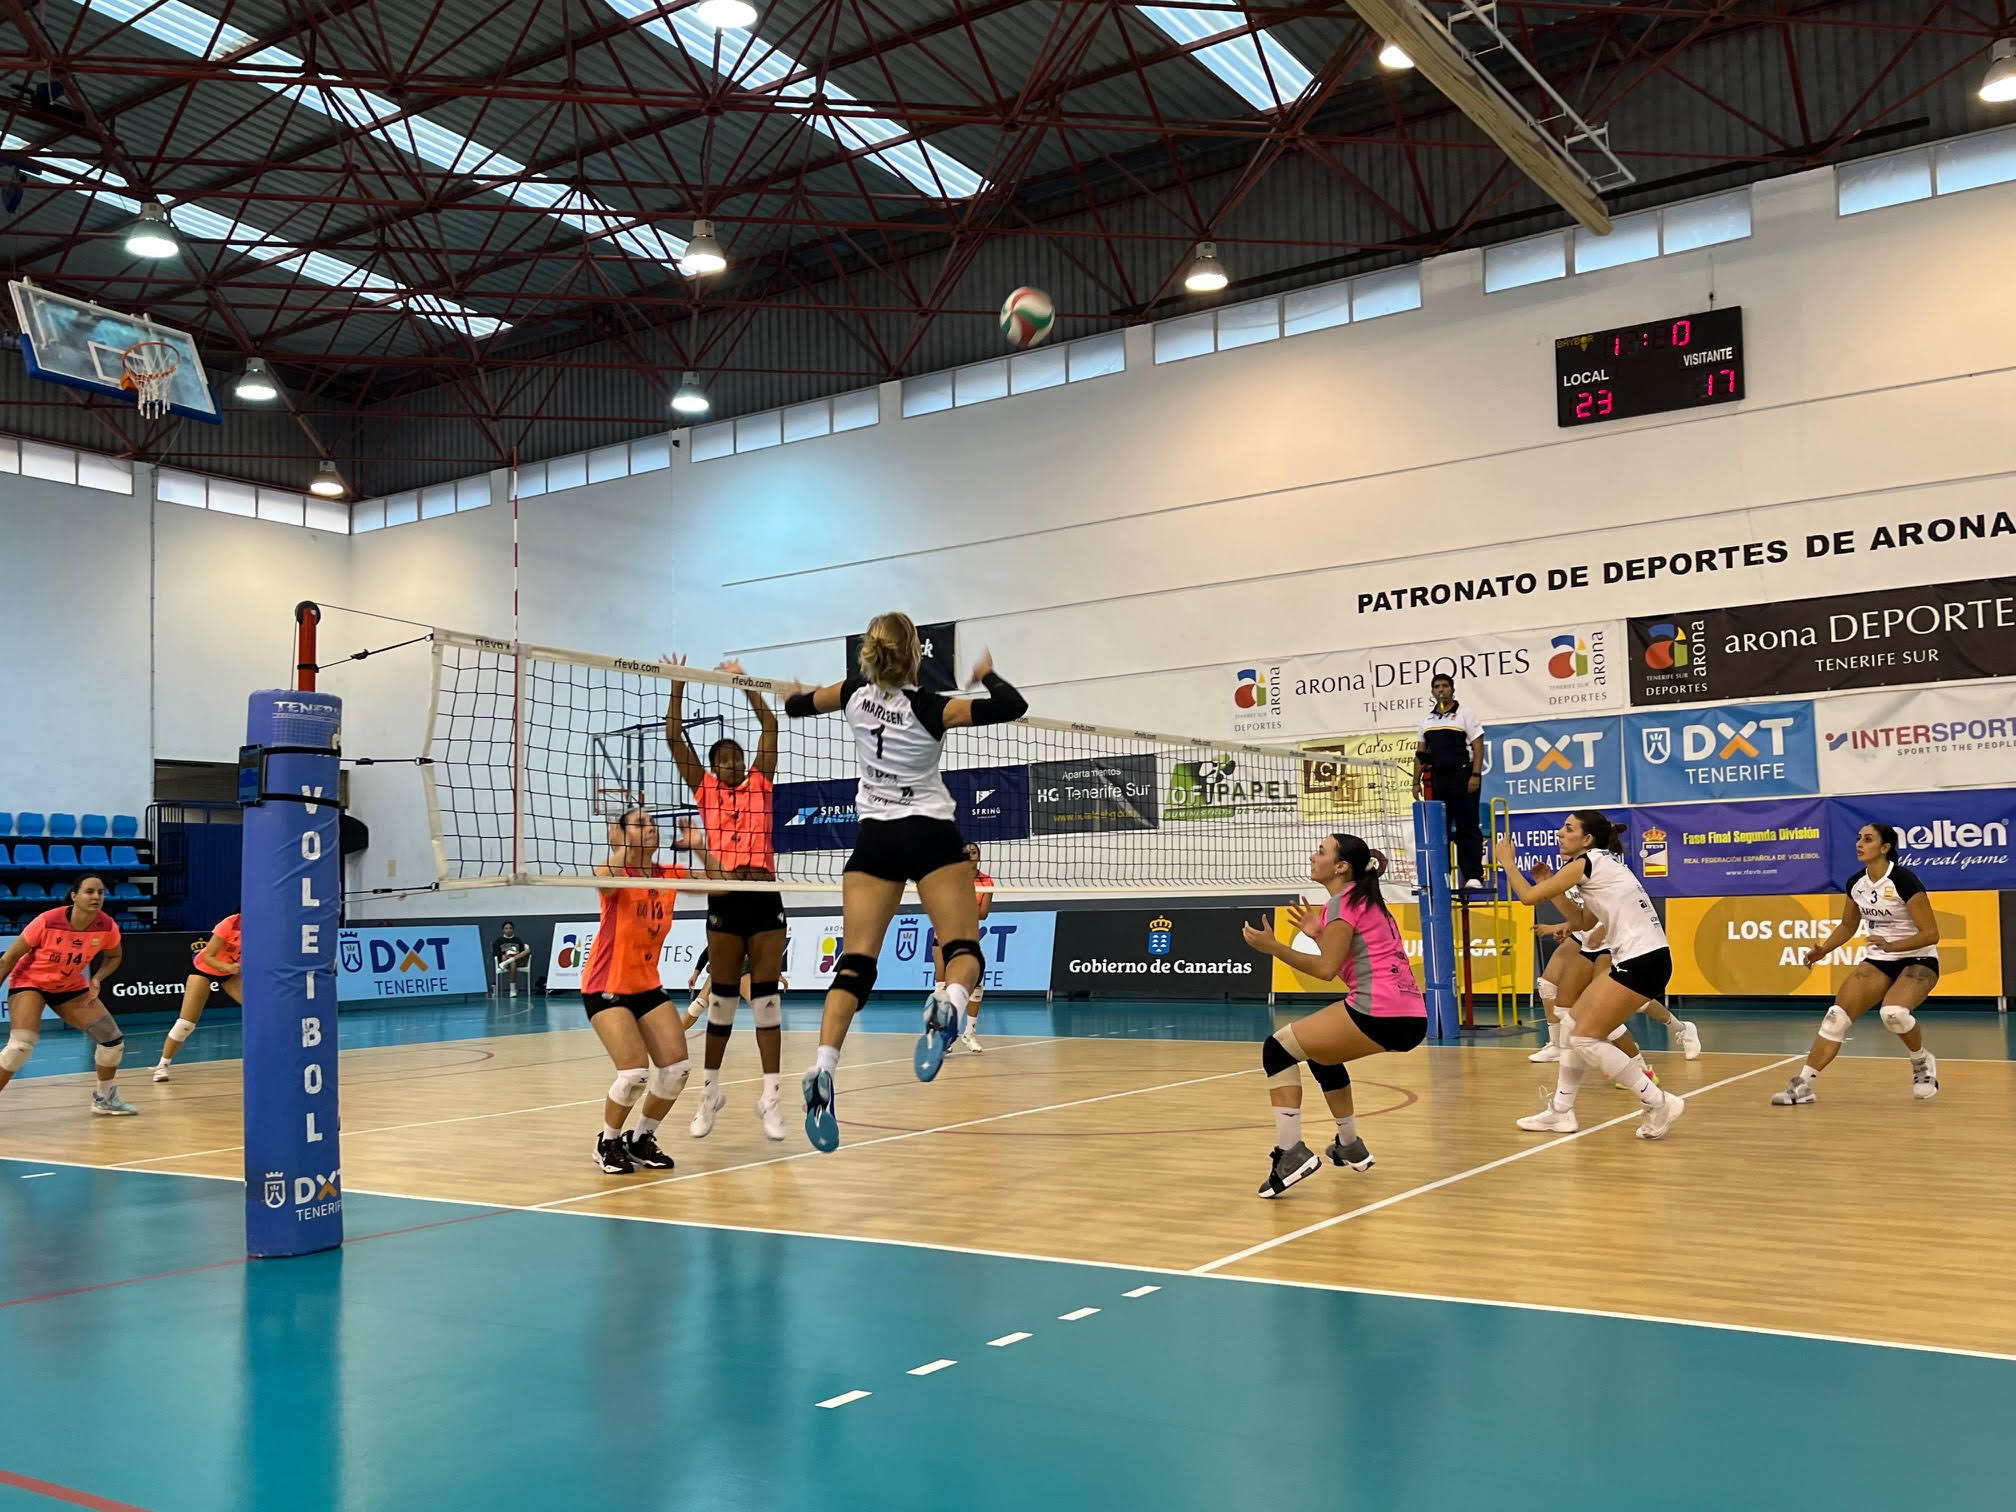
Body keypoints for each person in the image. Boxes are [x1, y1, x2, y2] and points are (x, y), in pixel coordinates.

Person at [780, 612, 1026, 1150]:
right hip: (930, 835)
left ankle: (823, 1069)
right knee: (964, 952)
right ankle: (948, 1006)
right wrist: (986, 675)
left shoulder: (850, 693)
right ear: (916, 653)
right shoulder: (931, 707)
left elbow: (798, 707)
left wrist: (792, 694)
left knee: (855, 966)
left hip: (875, 840)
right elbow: (1012, 707)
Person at [1238, 834, 1427, 1197]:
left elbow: (1326, 970)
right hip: (1410, 1015)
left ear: (1341, 867)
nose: (1313, 856)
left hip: (1378, 1010)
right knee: (1320, 1054)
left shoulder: (1343, 903)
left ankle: (1291, 1153)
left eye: (1321, 851)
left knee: (1277, 1049)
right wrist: (1318, 934)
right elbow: (1348, 965)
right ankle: (1350, 1144)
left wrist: (1274, 947)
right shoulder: (1364, 901)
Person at [1497, 813, 1685, 1140]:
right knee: (1572, 1025)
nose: (1560, 833)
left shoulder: (1585, 863)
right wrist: (1548, 883)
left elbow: (1527, 898)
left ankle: (1658, 1101)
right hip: (1646, 958)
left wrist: (1507, 863)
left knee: (1584, 1038)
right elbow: (1583, 921)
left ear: (1586, 840)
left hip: (1642, 960)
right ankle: (1561, 1111)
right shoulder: (1598, 864)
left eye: (1569, 829)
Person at [666, 658, 789, 1142]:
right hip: (725, 896)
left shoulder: (761, 781)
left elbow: (770, 725)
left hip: (764, 894)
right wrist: (678, 687)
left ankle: (771, 1099)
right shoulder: (705, 789)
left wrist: (745, 684)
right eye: (725, 759)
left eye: (737, 757)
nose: (733, 764)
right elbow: (675, 739)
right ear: (714, 767)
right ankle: (709, 1093)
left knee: (767, 1001)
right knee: (720, 1000)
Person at [581, 807, 714, 1173]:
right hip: (606, 985)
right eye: (641, 824)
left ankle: (640, 1139)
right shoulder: (615, 873)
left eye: (652, 823)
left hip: (647, 986)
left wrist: (700, 847)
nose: (651, 828)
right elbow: (604, 882)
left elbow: (721, 884)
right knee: (634, 1075)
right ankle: (607, 1143)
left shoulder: (668, 874)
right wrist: (622, 845)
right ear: (623, 835)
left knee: (677, 1070)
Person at [1771, 822, 1940, 1106]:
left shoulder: (1904, 881)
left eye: (1868, 839)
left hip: (1918, 957)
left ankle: (1921, 1061)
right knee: (1836, 1017)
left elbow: (1931, 934)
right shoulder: (1856, 884)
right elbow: (1848, 925)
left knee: (1894, 1013)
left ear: (1885, 847)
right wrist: (1823, 950)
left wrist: (1892, 945)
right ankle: (1803, 1085)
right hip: (1880, 958)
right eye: (1859, 838)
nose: (1860, 844)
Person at [1529, 882, 1700, 1073]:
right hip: (1583, 936)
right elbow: (1578, 910)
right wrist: (1565, 925)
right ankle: (1557, 1046)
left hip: (1610, 941)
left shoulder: (1606, 874)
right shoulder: (1568, 873)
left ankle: (1677, 1032)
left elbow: (1615, 908)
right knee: (1548, 985)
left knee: (1618, 1004)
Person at [0, 877, 134, 1115]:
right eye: (89, 892)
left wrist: (97, 978)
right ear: (74, 896)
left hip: (69, 986)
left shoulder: (107, 926)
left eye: (101, 892)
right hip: (31, 983)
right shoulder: (47, 921)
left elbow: (114, 956)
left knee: (112, 1041)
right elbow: (8, 959)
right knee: (20, 1046)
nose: (96, 897)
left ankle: (104, 1099)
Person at [1414, 673, 1484, 889]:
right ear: (1432, 692)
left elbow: (1478, 746)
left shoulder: (1465, 714)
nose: (1441, 689)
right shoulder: (1427, 720)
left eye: (1445, 686)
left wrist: (1475, 775)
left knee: (1467, 826)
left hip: (1463, 776)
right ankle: (1440, 877)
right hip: (1438, 779)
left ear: (1452, 689)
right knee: (1439, 829)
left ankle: (1473, 876)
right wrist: (1415, 782)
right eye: (1437, 686)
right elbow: (1420, 753)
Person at [154, 911, 240, 1081]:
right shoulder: (230, 923)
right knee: (186, 1024)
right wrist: (229, 968)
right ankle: (162, 1066)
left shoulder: (263, 928)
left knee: (258, 1013)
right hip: (204, 969)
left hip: (230, 973)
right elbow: (209, 956)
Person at [938, 842, 992, 1053]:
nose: (970, 855)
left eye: (974, 852)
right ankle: (944, 1034)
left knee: (976, 985)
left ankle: (969, 1033)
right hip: (945, 935)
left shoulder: (986, 881)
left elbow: (983, 913)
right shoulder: (951, 878)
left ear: (979, 856)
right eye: (966, 853)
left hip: (969, 936)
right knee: (943, 986)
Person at [491, 922, 531, 997]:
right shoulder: (499, 940)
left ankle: (510, 960)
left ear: (513, 929)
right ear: (503, 930)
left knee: (528, 951)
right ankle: (512, 990)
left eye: (510, 928)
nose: (508, 930)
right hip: (507, 961)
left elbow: (523, 951)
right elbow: (495, 952)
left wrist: (518, 953)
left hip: (518, 960)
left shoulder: (517, 939)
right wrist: (501, 955)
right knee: (513, 963)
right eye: (506, 928)